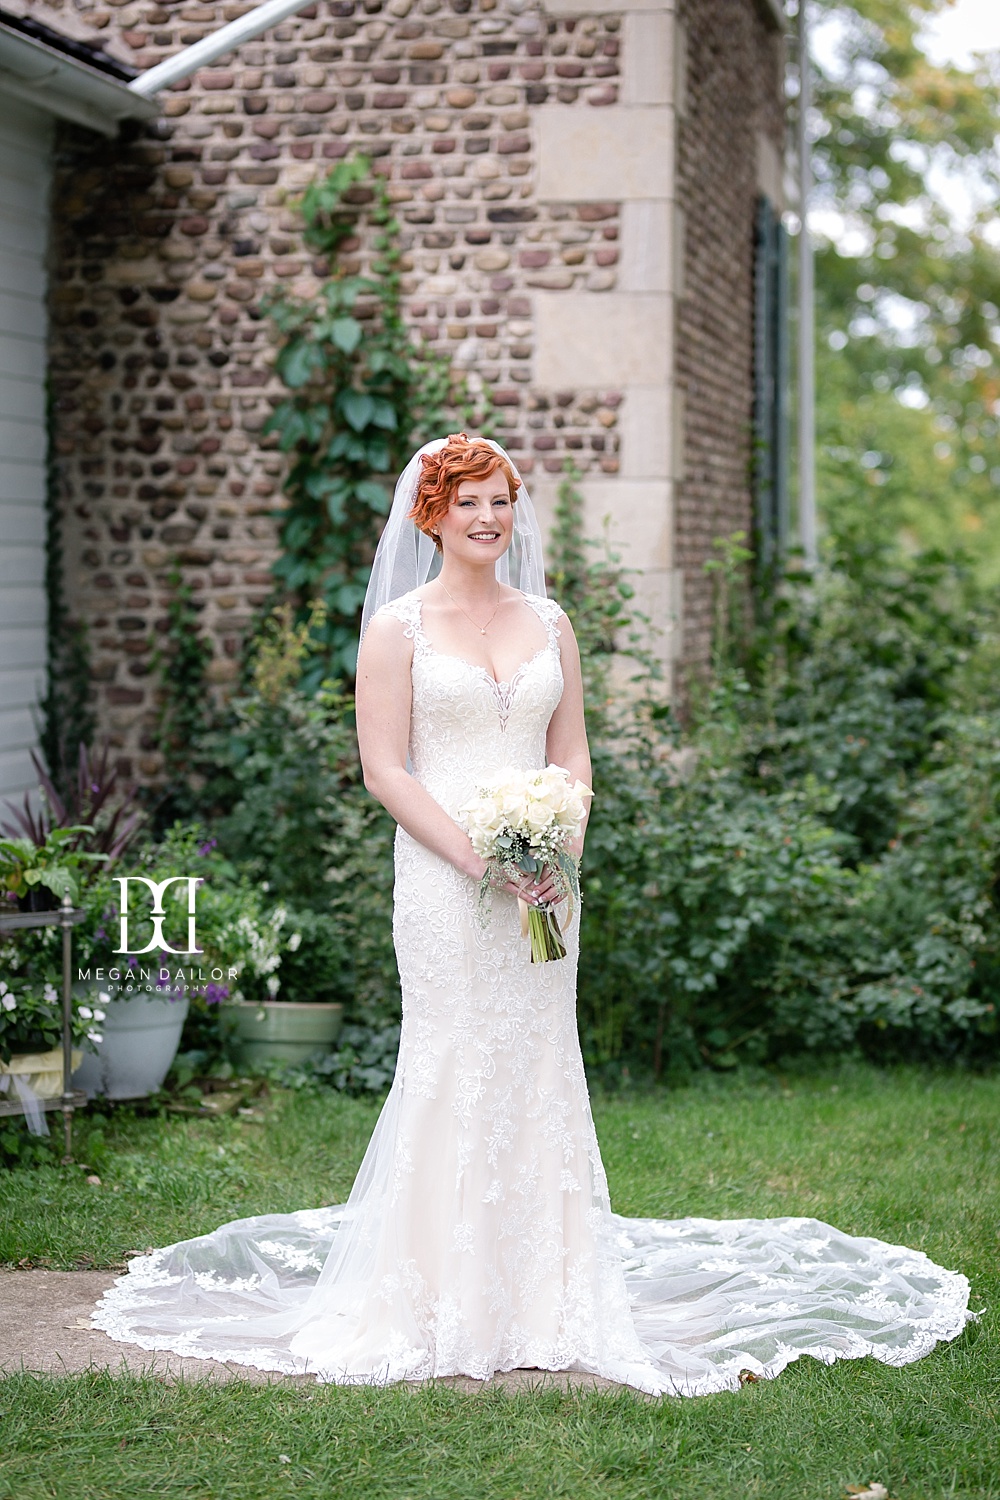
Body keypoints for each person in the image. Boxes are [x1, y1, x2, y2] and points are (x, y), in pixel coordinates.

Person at [92, 434, 971, 1394]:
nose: (488, 518)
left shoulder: (551, 622)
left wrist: (559, 844)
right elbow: (387, 770)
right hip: (443, 877)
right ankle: (437, 1300)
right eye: (467, 502)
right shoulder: (397, 630)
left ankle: (548, 1298)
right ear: (430, 515)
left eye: (501, 501)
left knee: (539, 1057)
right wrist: (480, 857)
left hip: (546, 883)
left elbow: (576, 753)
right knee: (455, 1058)